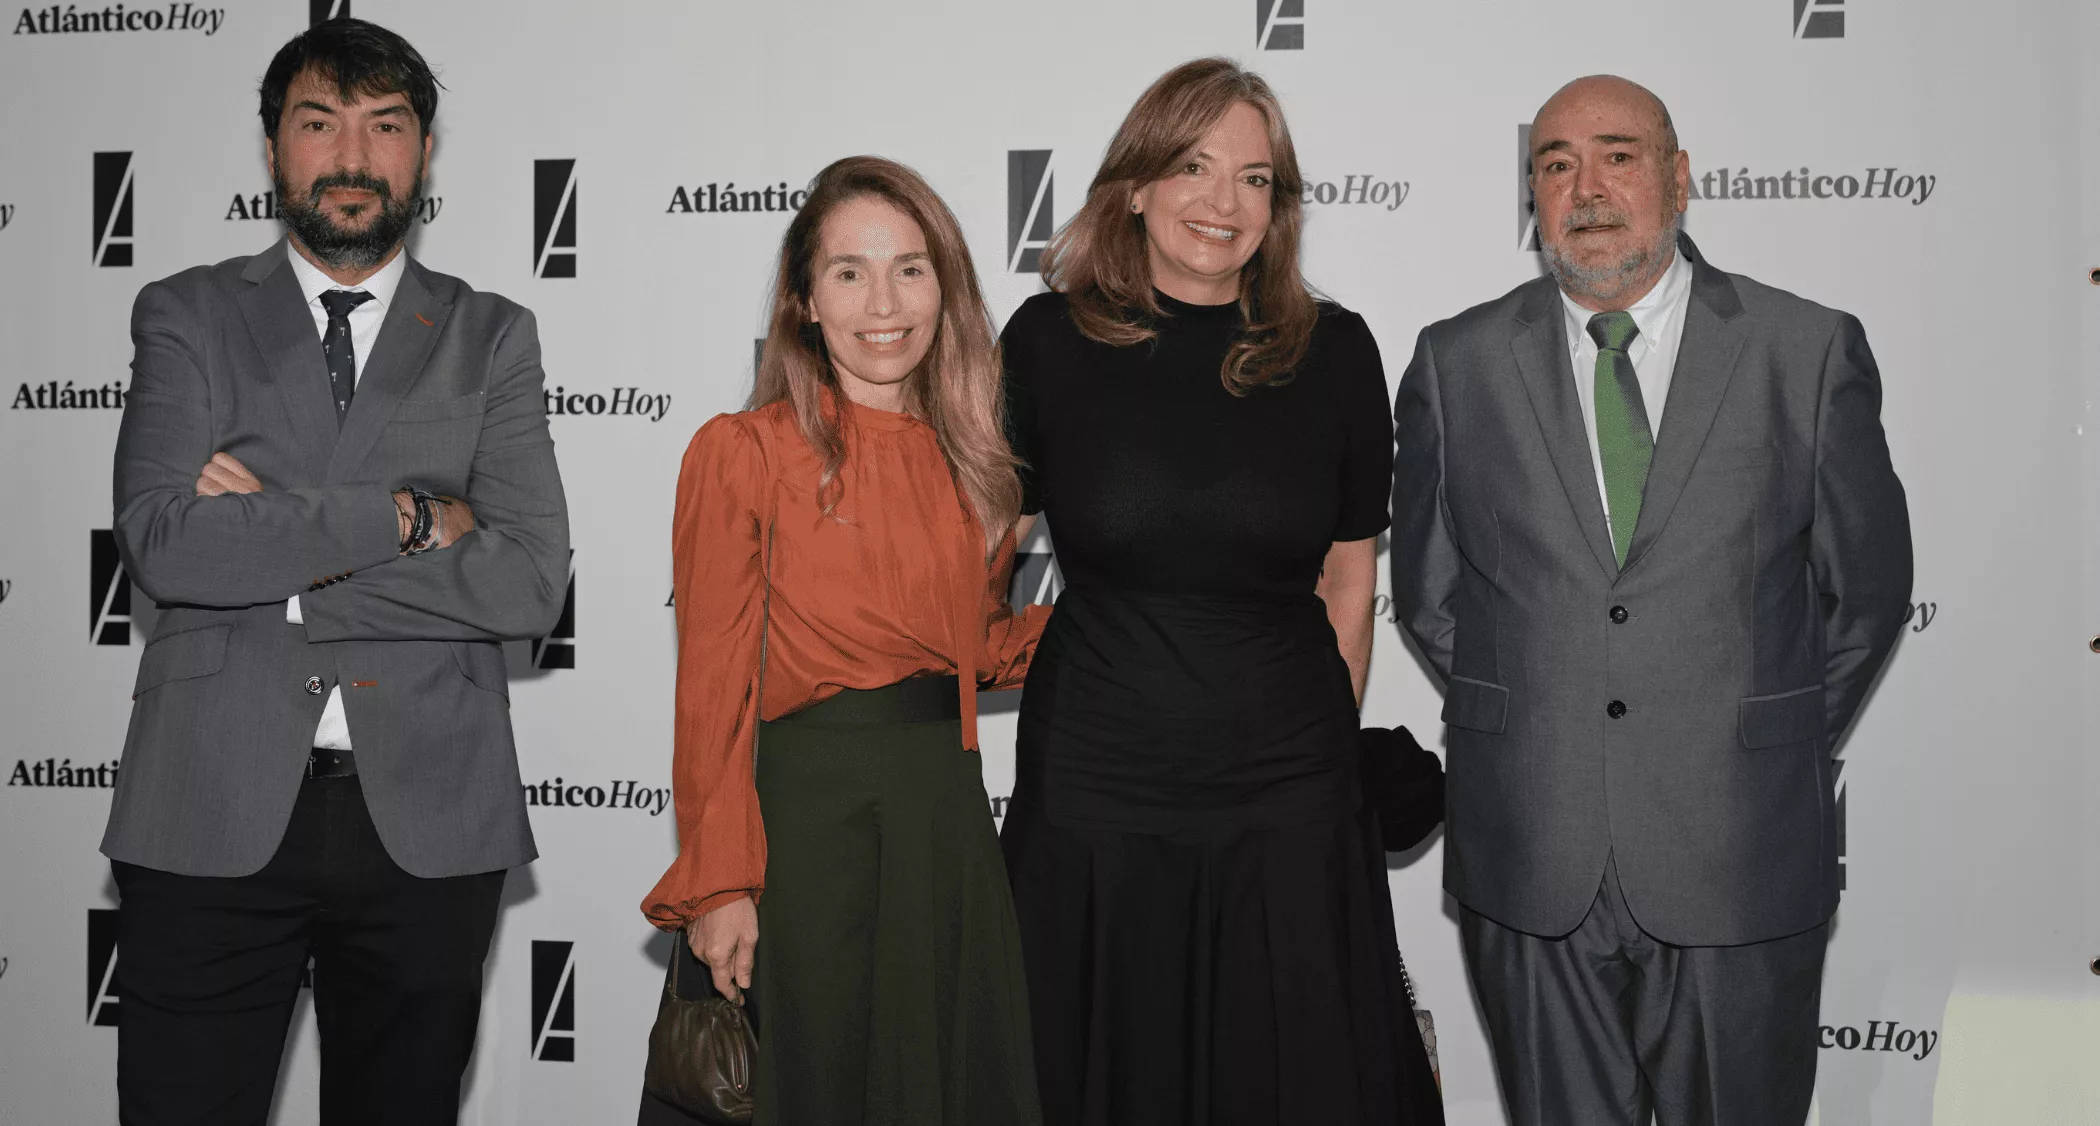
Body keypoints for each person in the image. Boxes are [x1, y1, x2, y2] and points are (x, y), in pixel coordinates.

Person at [1390, 75, 1912, 1125]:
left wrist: (1756, 744)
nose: (1586, 186)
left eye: (1619, 154)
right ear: (1532, 194)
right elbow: (1430, 592)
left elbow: (1867, 594)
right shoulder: (1457, 362)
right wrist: (1552, 714)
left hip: (1741, 847)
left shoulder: (1804, 350)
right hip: (1534, 847)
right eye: (1554, 163)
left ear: (1680, 178)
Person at [102, 18, 569, 1125]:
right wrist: (413, 515)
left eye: (386, 126)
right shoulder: (186, 312)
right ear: (273, 148)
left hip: (430, 822)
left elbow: (525, 584)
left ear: (423, 153)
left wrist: (276, 543)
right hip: (207, 809)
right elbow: (164, 540)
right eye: (319, 123)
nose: (353, 156)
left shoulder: (492, 333)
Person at [998, 58, 1444, 1125]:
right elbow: (980, 551)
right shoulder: (1046, 342)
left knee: (1288, 1072)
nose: (1223, 201)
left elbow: (1349, 573)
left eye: (1256, 179)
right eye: (1195, 166)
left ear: (1278, 209)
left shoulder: (1334, 350)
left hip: (1287, 784)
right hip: (1098, 779)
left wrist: (1327, 743)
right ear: (1136, 185)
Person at [638, 156, 1050, 1126]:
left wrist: (1125, 615)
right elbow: (713, 689)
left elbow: (973, 646)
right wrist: (721, 883)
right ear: (803, 298)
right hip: (806, 825)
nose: (883, 302)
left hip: (942, 822)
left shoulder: (979, 468)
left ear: (946, 288)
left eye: (910, 269)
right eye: (850, 272)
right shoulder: (743, 453)